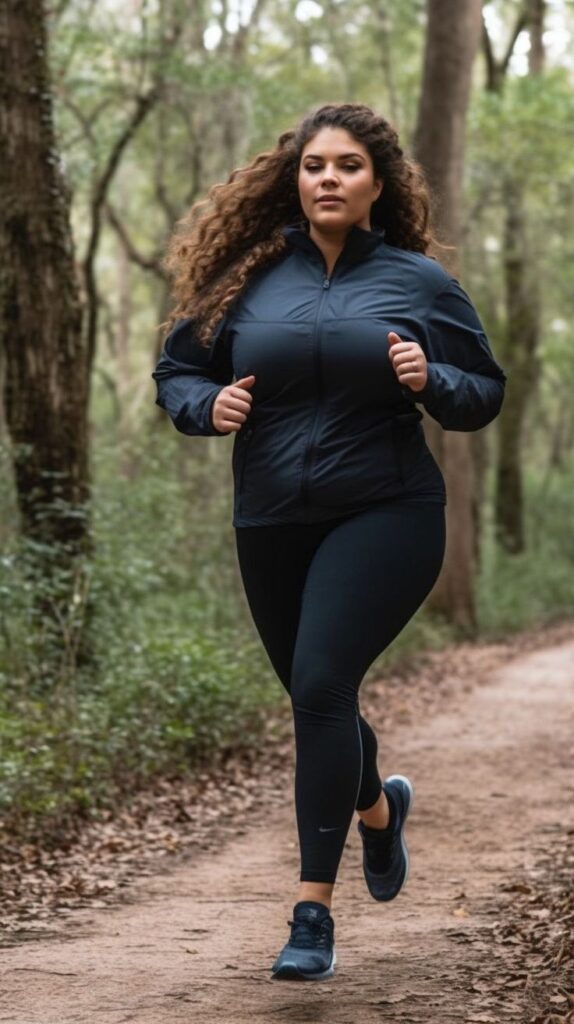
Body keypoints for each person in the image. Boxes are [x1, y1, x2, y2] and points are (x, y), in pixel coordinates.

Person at [152, 102, 506, 982]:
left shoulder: (418, 283)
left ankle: (312, 913)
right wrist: (207, 407)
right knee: (321, 700)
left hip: (386, 510)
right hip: (271, 516)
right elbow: (178, 371)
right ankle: (379, 812)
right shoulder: (246, 280)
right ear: (294, 178)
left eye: (348, 165)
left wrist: (432, 378)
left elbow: (483, 389)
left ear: (377, 184)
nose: (329, 179)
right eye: (315, 165)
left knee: (319, 683)